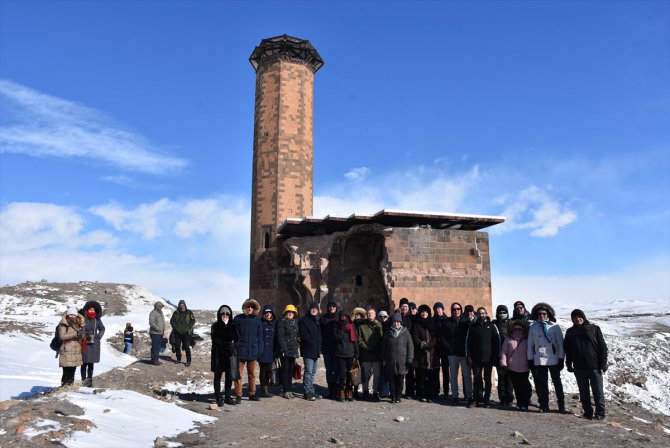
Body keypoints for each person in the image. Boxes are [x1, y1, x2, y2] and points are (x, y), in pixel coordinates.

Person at [564, 309, 608, 420]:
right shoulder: (570, 332)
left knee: (598, 392)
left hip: (594, 367)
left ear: (584, 317)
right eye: (574, 317)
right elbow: (568, 350)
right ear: (572, 319)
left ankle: (600, 414)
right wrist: (568, 363)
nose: (577, 319)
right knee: (583, 393)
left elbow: (603, 347)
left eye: (579, 317)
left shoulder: (594, 329)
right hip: (579, 368)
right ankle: (587, 413)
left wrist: (603, 363)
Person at [527, 303, 567, 413]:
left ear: (548, 314)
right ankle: (544, 405)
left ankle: (561, 405)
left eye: (544, 313)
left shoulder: (554, 326)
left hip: (553, 358)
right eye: (539, 314)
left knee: (557, 382)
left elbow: (560, 344)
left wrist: (561, 358)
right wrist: (530, 359)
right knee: (542, 384)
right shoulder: (533, 327)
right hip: (539, 359)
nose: (542, 316)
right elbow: (530, 345)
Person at [466, 307, 500, 407]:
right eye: (480, 313)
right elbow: (468, 343)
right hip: (476, 358)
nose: (482, 315)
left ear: (486, 314)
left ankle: (486, 400)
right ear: (477, 315)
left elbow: (496, 343)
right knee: (477, 379)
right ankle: (477, 399)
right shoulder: (473, 327)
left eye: (483, 313)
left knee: (488, 379)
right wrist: (468, 356)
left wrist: (496, 357)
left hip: (489, 358)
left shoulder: (492, 326)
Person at [234, 298, 263, 402]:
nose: (250, 308)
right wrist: (235, 347)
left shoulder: (257, 320)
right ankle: (238, 395)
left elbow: (260, 336)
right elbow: (234, 335)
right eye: (248, 306)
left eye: (252, 306)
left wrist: (260, 350)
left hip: (253, 350)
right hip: (240, 351)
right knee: (238, 374)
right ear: (245, 307)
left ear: (254, 308)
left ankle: (252, 394)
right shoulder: (238, 319)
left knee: (252, 374)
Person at [381, 312, 414, 404]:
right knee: (391, 380)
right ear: (392, 323)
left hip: (402, 361)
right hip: (390, 360)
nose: (396, 324)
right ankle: (393, 396)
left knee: (400, 380)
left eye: (398, 322)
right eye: (395, 322)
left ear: (401, 323)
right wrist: (383, 358)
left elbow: (410, 346)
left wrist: (409, 359)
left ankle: (398, 396)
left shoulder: (405, 332)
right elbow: (384, 347)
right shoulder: (388, 333)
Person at [211, 305, 239, 406]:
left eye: (227, 313)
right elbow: (216, 339)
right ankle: (218, 397)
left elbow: (237, 339)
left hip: (230, 355)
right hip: (218, 355)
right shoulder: (216, 326)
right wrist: (228, 342)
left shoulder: (233, 325)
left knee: (229, 377)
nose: (225, 315)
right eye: (223, 313)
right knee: (217, 377)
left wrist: (233, 344)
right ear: (219, 314)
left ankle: (227, 397)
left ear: (230, 314)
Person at [500, 320, 532, 411]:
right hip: (512, 367)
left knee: (524, 386)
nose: (518, 330)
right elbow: (504, 352)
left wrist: (531, 362)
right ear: (512, 329)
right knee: (517, 386)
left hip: (525, 367)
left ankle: (525, 403)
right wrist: (503, 363)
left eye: (520, 328)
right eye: (516, 328)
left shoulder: (527, 339)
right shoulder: (509, 339)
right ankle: (519, 403)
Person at [412, 304, 438, 402]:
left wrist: (430, 345)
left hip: (431, 354)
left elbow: (435, 336)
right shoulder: (417, 324)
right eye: (422, 312)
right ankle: (421, 394)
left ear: (428, 313)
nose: (424, 313)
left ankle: (430, 394)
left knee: (431, 376)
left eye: (426, 312)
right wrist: (422, 344)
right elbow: (415, 337)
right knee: (421, 375)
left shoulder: (432, 323)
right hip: (421, 354)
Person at [358, 307, 383, 401]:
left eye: (372, 313)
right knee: (365, 374)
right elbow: (359, 339)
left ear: (375, 315)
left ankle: (375, 392)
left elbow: (382, 338)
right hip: (366, 354)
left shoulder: (379, 325)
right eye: (368, 313)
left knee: (377, 375)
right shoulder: (362, 326)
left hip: (376, 355)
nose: (370, 315)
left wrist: (377, 348)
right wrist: (366, 347)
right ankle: (365, 391)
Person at [299, 301, 322, 401]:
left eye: (316, 309)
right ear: (309, 310)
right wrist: (312, 341)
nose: (314, 310)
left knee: (313, 372)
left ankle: (311, 390)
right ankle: (306, 392)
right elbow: (303, 334)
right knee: (308, 371)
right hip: (308, 349)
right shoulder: (304, 320)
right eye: (312, 309)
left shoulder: (317, 320)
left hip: (315, 350)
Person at [276, 304, 300, 399]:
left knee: (290, 371)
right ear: (286, 313)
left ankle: (289, 389)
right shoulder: (282, 322)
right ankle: (285, 390)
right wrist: (284, 349)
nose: (290, 313)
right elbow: (280, 337)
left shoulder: (294, 322)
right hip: (285, 350)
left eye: (292, 312)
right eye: (289, 312)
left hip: (293, 350)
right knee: (285, 371)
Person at [80, 300, 105, 387]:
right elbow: (79, 329)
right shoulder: (83, 319)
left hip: (94, 344)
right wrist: (83, 337)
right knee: (83, 363)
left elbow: (102, 329)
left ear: (95, 311)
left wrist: (98, 337)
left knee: (91, 363)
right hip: (84, 344)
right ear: (87, 310)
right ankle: (83, 382)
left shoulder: (97, 320)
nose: (91, 311)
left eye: (93, 310)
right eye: (90, 310)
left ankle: (89, 382)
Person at [492, 304, 514, 406]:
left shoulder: (511, 324)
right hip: (498, 353)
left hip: (510, 354)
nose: (502, 314)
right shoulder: (494, 324)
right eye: (500, 312)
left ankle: (509, 398)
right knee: (501, 377)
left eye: (504, 312)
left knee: (509, 377)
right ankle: (502, 398)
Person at [335, 310, 359, 402]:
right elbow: (337, 338)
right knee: (342, 375)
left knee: (350, 375)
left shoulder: (352, 326)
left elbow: (355, 340)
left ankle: (349, 391)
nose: (344, 318)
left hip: (350, 354)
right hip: (340, 354)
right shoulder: (337, 326)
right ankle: (341, 391)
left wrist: (357, 353)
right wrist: (342, 329)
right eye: (342, 317)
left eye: (346, 316)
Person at [58, 307, 85, 386]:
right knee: (66, 371)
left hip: (76, 350)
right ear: (68, 315)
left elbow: (81, 335)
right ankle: (64, 387)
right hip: (67, 350)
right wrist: (76, 334)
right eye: (70, 314)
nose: (72, 316)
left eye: (74, 314)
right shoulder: (64, 323)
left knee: (73, 370)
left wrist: (82, 335)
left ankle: (70, 387)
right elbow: (62, 336)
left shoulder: (78, 322)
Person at [320, 300, 340, 399]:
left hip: (337, 349)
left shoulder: (339, 317)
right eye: (330, 306)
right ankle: (330, 390)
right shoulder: (323, 318)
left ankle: (336, 391)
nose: (332, 308)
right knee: (329, 370)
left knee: (336, 370)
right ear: (328, 308)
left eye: (333, 306)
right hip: (327, 348)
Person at [258, 304, 277, 397]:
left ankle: (266, 386)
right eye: (266, 312)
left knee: (270, 370)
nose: (268, 314)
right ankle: (263, 389)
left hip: (271, 351)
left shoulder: (274, 323)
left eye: (269, 312)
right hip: (263, 350)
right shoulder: (260, 322)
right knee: (263, 370)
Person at [170, 299, 196, 367]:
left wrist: (189, 326)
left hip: (186, 333)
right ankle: (178, 359)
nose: (181, 306)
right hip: (177, 332)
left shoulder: (189, 312)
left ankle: (188, 361)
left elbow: (193, 320)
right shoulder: (176, 312)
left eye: (183, 304)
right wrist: (175, 327)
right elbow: (172, 321)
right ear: (179, 305)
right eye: (180, 304)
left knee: (186, 346)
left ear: (185, 305)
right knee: (177, 346)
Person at [432, 302, 449, 400]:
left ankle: (446, 391)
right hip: (435, 349)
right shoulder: (432, 320)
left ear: (442, 309)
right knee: (435, 370)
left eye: (439, 308)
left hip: (445, 349)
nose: (438, 310)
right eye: (436, 308)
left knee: (446, 371)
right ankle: (436, 390)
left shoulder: (447, 320)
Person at [149, 301, 166, 365]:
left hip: (160, 333)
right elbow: (151, 322)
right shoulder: (153, 313)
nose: (161, 307)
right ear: (157, 306)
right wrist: (158, 329)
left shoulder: (160, 313)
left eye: (162, 306)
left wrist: (163, 329)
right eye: (160, 306)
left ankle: (155, 359)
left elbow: (162, 322)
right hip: (155, 332)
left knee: (158, 347)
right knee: (155, 346)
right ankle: (154, 360)